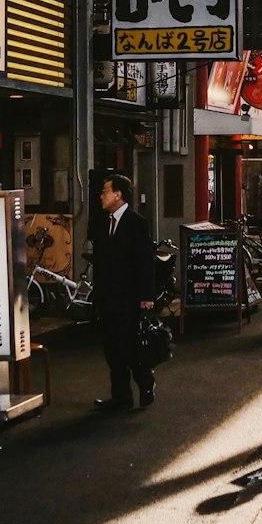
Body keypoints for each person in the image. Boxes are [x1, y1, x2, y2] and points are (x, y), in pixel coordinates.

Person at [91, 174, 156, 411]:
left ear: (118, 194)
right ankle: (121, 397)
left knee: (128, 347)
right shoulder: (103, 221)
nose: (101, 195)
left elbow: (145, 262)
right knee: (112, 350)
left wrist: (147, 296)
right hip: (107, 297)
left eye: (105, 191)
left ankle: (145, 381)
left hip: (129, 298)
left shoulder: (136, 222)